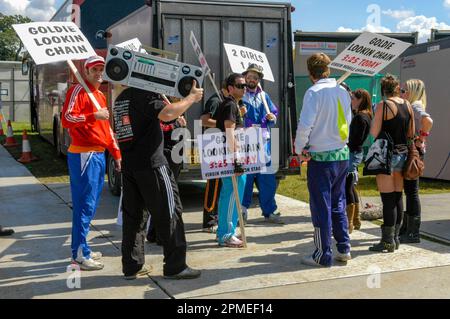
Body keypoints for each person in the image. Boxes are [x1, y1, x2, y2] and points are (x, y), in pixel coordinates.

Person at [114, 81, 203, 280]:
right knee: (170, 212)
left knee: (134, 217)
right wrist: (191, 98)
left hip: (130, 165)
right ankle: (175, 266)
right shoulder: (144, 93)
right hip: (152, 164)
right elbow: (167, 113)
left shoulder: (122, 97)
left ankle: (132, 266)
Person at [61, 55, 122, 271]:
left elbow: (107, 130)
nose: (98, 73)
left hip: (97, 155)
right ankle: (79, 254)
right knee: (84, 206)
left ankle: (82, 247)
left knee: (92, 205)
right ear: (85, 72)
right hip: (83, 155)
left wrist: (116, 153)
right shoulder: (77, 91)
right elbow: (66, 119)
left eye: (101, 69)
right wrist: (92, 115)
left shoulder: (99, 96)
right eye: (93, 69)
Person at [294, 53, 352, 267]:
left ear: (310, 73)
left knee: (321, 207)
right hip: (342, 154)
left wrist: (299, 149)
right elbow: (348, 120)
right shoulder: (343, 91)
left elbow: (305, 125)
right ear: (328, 69)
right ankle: (344, 248)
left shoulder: (314, 92)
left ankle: (322, 254)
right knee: (338, 203)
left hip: (322, 158)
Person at [369, 75, 414, 253]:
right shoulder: (407, 105)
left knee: (387, 200)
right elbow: (411, 132)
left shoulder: (384, 105)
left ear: (383, 90)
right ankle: (395, 238)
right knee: (397, 197)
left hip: (387, 154)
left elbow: (374, 131)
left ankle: (387, 242)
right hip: (403, 155)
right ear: (397, 88)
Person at [241, 64, 283, 224]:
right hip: (246, 141)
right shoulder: (241, 95)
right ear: (245, 77)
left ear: (259, 80)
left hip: (263, 141)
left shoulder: (264, 96)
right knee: (246, 177)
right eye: (249, 77)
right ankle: (242, 211)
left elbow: (273, 113)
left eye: (255, 77)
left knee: (267, 178)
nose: (252, 80)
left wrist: (272, 118)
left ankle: (269, 210)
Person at [214, 73, 247, 248]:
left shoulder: (233, 105)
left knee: (234, 194)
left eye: (245, 85)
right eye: (240, 85)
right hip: (231, 158)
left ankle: (229, 230)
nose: (244, 88)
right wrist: (236, 159)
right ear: (230, 88)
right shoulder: (229, 105)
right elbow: (229, 133)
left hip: (233, 156)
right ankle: (225, 234)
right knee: (231, 194)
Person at [400, 79, 433, 244]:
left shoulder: (415, 105)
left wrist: (420, 138)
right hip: (415, 151)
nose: (401, 92)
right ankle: (407, 228)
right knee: (410, 190)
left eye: (405, 90)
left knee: (412, 191)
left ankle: (412, 232)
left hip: (415, 152)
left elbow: (428, 121)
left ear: (413, 91)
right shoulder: (414, 104)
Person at [147, 114, 187, 244]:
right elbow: (159, 128)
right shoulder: (159, 107)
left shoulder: (173, 108)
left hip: (173, 155)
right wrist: (177, 125)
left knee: (164, 196)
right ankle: (160, 234)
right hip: (164, 156)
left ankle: (154, 232)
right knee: (165, 197)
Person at [200, 80, 229, 232]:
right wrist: (223, 123)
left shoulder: (226, 102)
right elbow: (204, 120)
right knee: (214, 185)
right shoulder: (215, 100)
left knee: (222, 185)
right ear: (226, 89)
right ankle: (209, 221)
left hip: (223, 146)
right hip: (213, 145)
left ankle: (218, 217)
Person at [346, 89, 372, 233]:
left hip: (353, 153)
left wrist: (345, 143)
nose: (351, 101)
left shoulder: (360, 118)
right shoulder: (364, 116)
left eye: (353, 99)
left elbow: (356, 139)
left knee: (347, 187)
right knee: (351, 187)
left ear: (360, 99)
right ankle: (355, 220)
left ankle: (349, 223)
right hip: (356, 153)